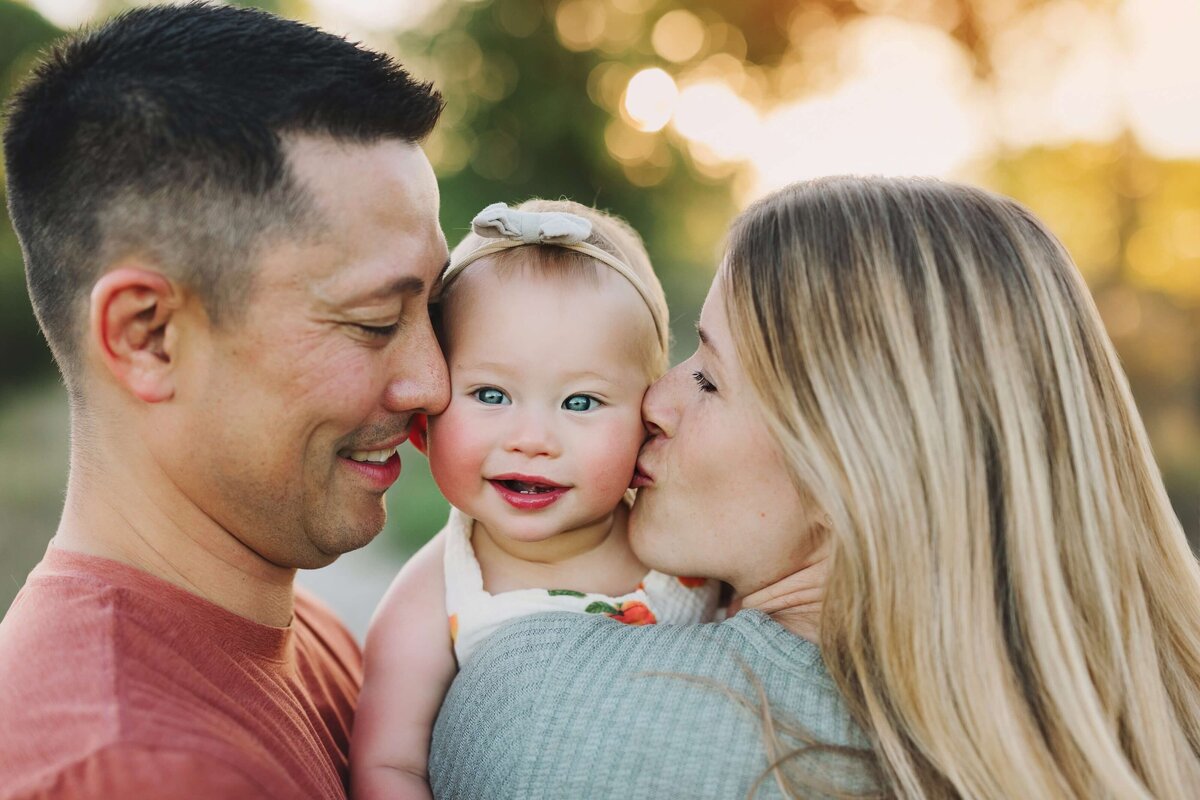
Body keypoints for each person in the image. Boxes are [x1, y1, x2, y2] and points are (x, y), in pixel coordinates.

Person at [428, 176, 1200, 799]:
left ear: (849, 465)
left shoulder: (557, 713)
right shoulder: (1154, 733)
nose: (654, 403)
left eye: (708, 377)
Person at [0, 5, 448, 799]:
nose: (433, 384)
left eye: (434, 313)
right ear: (148, 335)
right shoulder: (129, 771)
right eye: (377, 322)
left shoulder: (308, 633)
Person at [352, 199, 721, 798]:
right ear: (427, 418)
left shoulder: (685, 542)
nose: (531, 441)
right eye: (492, 394)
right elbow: (388, 765)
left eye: (580, 402)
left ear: (646, 421)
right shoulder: (434, 598)